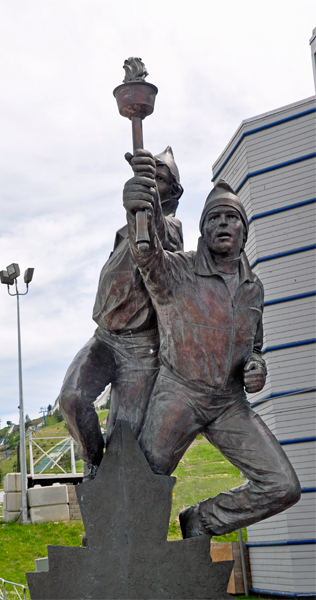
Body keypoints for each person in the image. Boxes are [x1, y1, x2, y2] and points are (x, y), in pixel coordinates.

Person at [123, 151, 301, 538]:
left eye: (231, 217)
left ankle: (201, 520)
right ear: (203, 230)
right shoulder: (178, 269)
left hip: (229, 404)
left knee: (282, 486)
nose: (223, 223)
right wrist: (141, 205)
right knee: (137, 489)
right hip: (179, 396)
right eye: (214, 218)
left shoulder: (254, 288)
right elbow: (146, 253)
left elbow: (256, 345)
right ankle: (111, 549)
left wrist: (256, 366)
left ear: (243, 229)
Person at [60, 147, 184, 479]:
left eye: (160, 179)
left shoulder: (170, 226)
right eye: (149, 177)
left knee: (125, 443)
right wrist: (136, 206)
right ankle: (93, 463)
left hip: (141, 350)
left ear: (174, 192)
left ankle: (114, 492)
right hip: (104, 337)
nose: (153, 183)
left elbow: (159, 245)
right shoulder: (127, 228)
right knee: (73, 399)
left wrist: (146, 204)